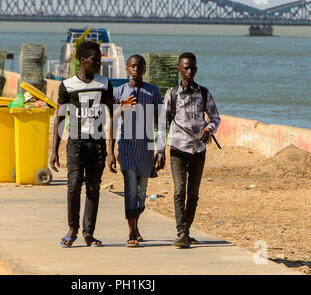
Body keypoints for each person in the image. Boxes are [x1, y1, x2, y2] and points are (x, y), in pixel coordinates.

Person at [50, 40, 114, 248]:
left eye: (100, 60)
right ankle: (72, 228)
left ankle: (89, 233)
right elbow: (59, 119)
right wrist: (54, 151)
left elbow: (112, 117)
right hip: (76, 143)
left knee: (94, 188)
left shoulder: (104, 83)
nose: (99, 64)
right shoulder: (67, 85)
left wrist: (112, 151)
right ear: (83, 60)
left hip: (97, 144)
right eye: (95, 61)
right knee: (74, 185)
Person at [164, 52, 221, 248]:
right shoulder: (172, 93)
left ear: (196, 70)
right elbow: (163, 123)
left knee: (193, 193)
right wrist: (158, 151)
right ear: (179, 70)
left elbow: (215, 117)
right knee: (179, 190)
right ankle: (181, 231)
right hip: (178, 149)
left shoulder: (204, 93)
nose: (189, 71)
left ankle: (186, 229)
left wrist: (209, 129)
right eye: (185, 68)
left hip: (198, 150)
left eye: (192, 68)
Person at [109, 55, 166, 247]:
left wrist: (161, 150)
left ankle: (136, 224)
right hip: (125, 146)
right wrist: (110, 152)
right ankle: (131, 231)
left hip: (146, 148)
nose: (136, 69)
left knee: (141, 194)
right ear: (126, 69)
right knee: (130, 188)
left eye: (139, 66)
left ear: (144, 69)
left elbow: (161, 122)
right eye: (132, 66)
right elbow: (111, 120)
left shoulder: (153, 92)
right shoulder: (118, 92)